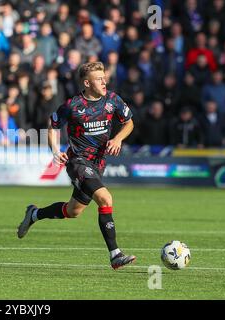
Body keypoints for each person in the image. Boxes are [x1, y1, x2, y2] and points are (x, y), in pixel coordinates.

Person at [17, 62, 136, 270]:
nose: (104, 81)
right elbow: (52, 125)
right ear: (87, 83)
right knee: (105, 198)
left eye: (104, 77)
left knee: (73, 211)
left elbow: (129, 122)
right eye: (99, 79)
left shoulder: (113, 100)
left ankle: (34, 214)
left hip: (98, 164)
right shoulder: (72, 106)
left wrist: (118, 139)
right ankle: (115, 255)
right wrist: (55, 150)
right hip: (77, 162)